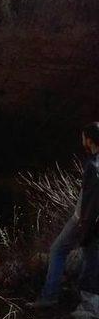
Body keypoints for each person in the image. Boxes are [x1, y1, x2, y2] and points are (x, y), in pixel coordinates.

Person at [29, 122, 99, 308]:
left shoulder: (92, 165)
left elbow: (89, 201)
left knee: (58, 250)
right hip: (92, 221)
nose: (82, 140)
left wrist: (85, 226)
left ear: (89, 140)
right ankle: (84, 301)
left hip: (85, 220)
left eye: (84, 136)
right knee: (91, 258)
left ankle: (50, 296)